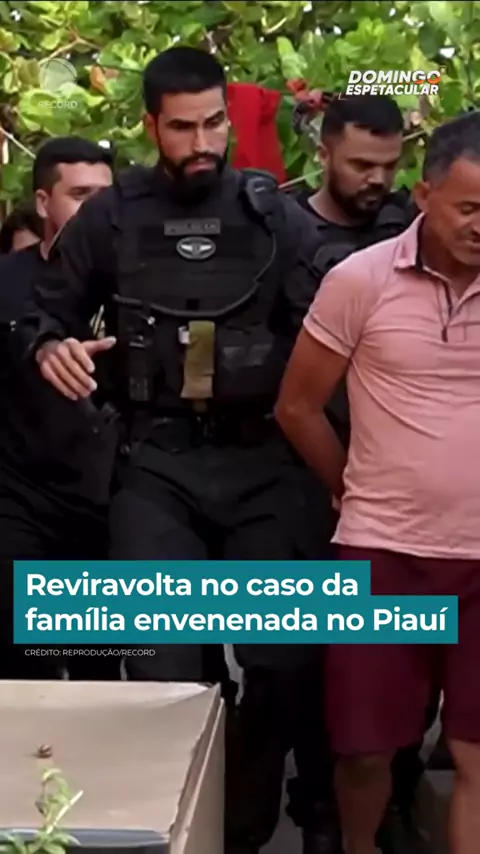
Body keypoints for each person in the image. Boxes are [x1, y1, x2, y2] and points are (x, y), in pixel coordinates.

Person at [18, 47, 333, 854]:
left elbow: (336, 315)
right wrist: (46, 344)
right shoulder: (111, 218)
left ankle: (245, 811)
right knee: (164, 666)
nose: (202, 143)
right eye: (183, 128)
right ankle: (188, 819)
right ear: (151, 126)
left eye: (214, 124)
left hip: (263, 463)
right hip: (157, 461)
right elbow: (45, 307)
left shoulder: (272, 214)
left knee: (285, 662)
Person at [275, 109, 480, 854]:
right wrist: (348, 486)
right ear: (423, 196)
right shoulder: (359, 280)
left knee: (475, 755)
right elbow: (297, 405)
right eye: (469, 208)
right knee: (364, 751)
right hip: (383, 553)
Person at [289, 94, 432, 853]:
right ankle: (322, 811)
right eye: (360, 165)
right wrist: (339, 482)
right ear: (323, 154)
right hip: (309, 472)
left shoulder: (419, 228)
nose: (377, 180)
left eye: (390, 165)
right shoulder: (285, 232)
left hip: (403, 488)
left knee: (404, 664)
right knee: (320, 664)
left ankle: (394, 804)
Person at [0, 136, 118, 680]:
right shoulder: (8, 280)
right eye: (80, 195)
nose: (96, 211)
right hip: (21, 501)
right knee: (27, 669)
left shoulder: (135, 282)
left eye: (105, 196)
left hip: (111, 505)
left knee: (102, 670)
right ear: (44, 202)